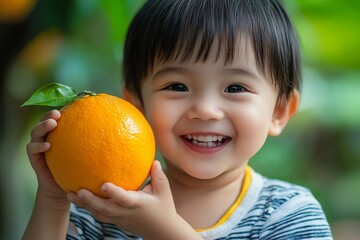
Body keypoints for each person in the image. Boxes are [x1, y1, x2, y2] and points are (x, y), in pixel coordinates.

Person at [23, 0, 333, 239]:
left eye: (235, 87)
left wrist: (166, 231)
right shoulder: (104, 207)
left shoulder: (287, 213)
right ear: (136, 106)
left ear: (279, 112)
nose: (205, 110)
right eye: (177, 86)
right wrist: (54, 197)